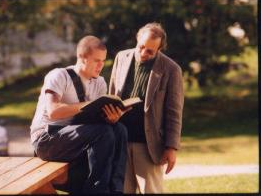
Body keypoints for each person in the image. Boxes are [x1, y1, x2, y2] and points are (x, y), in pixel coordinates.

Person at [30, 35, 128, 193]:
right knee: (103, 133)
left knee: (119, 130)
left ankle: (115, 190)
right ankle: (96, 191)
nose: (101, 66)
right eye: (97, 61)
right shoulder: (59, 76)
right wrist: (89, 104)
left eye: (103, 61)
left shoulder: (99, 82)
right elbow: (53, 111)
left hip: (76, 138)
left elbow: (95, 121)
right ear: (82, 58)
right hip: (46, 139)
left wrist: (111, 117)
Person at [109, 22, 184, 193]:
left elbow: (174, 113)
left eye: (150, 51)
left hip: (149, 145)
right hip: (121, 140)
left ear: (159, 49)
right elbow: (112, 95)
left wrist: (171, 148)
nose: (143, 53)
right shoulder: (121, 57)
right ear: (137, 39)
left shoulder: (172, 69)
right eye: (141, 47)